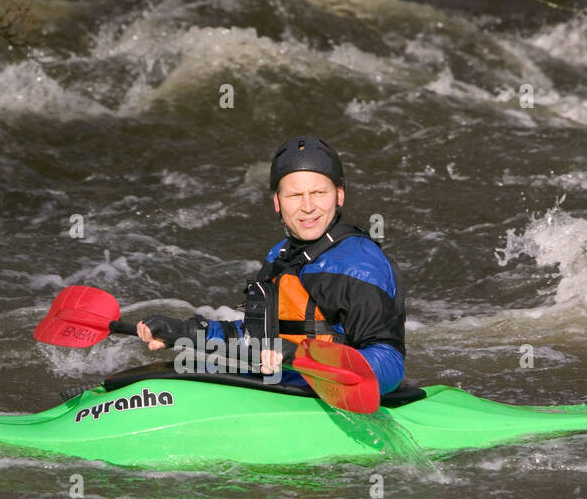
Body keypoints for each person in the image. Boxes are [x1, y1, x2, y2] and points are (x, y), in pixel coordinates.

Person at [136, 136, 406, 395]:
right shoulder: (281, 255)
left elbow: (389, 365)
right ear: (277, 202)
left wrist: (301, 356)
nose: (308, 207)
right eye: (295, 196)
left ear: (339, 196)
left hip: (332, 395)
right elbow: (255, 338)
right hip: (287, 385)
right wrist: (186, 333)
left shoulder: (359, 266)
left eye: (319, 193)